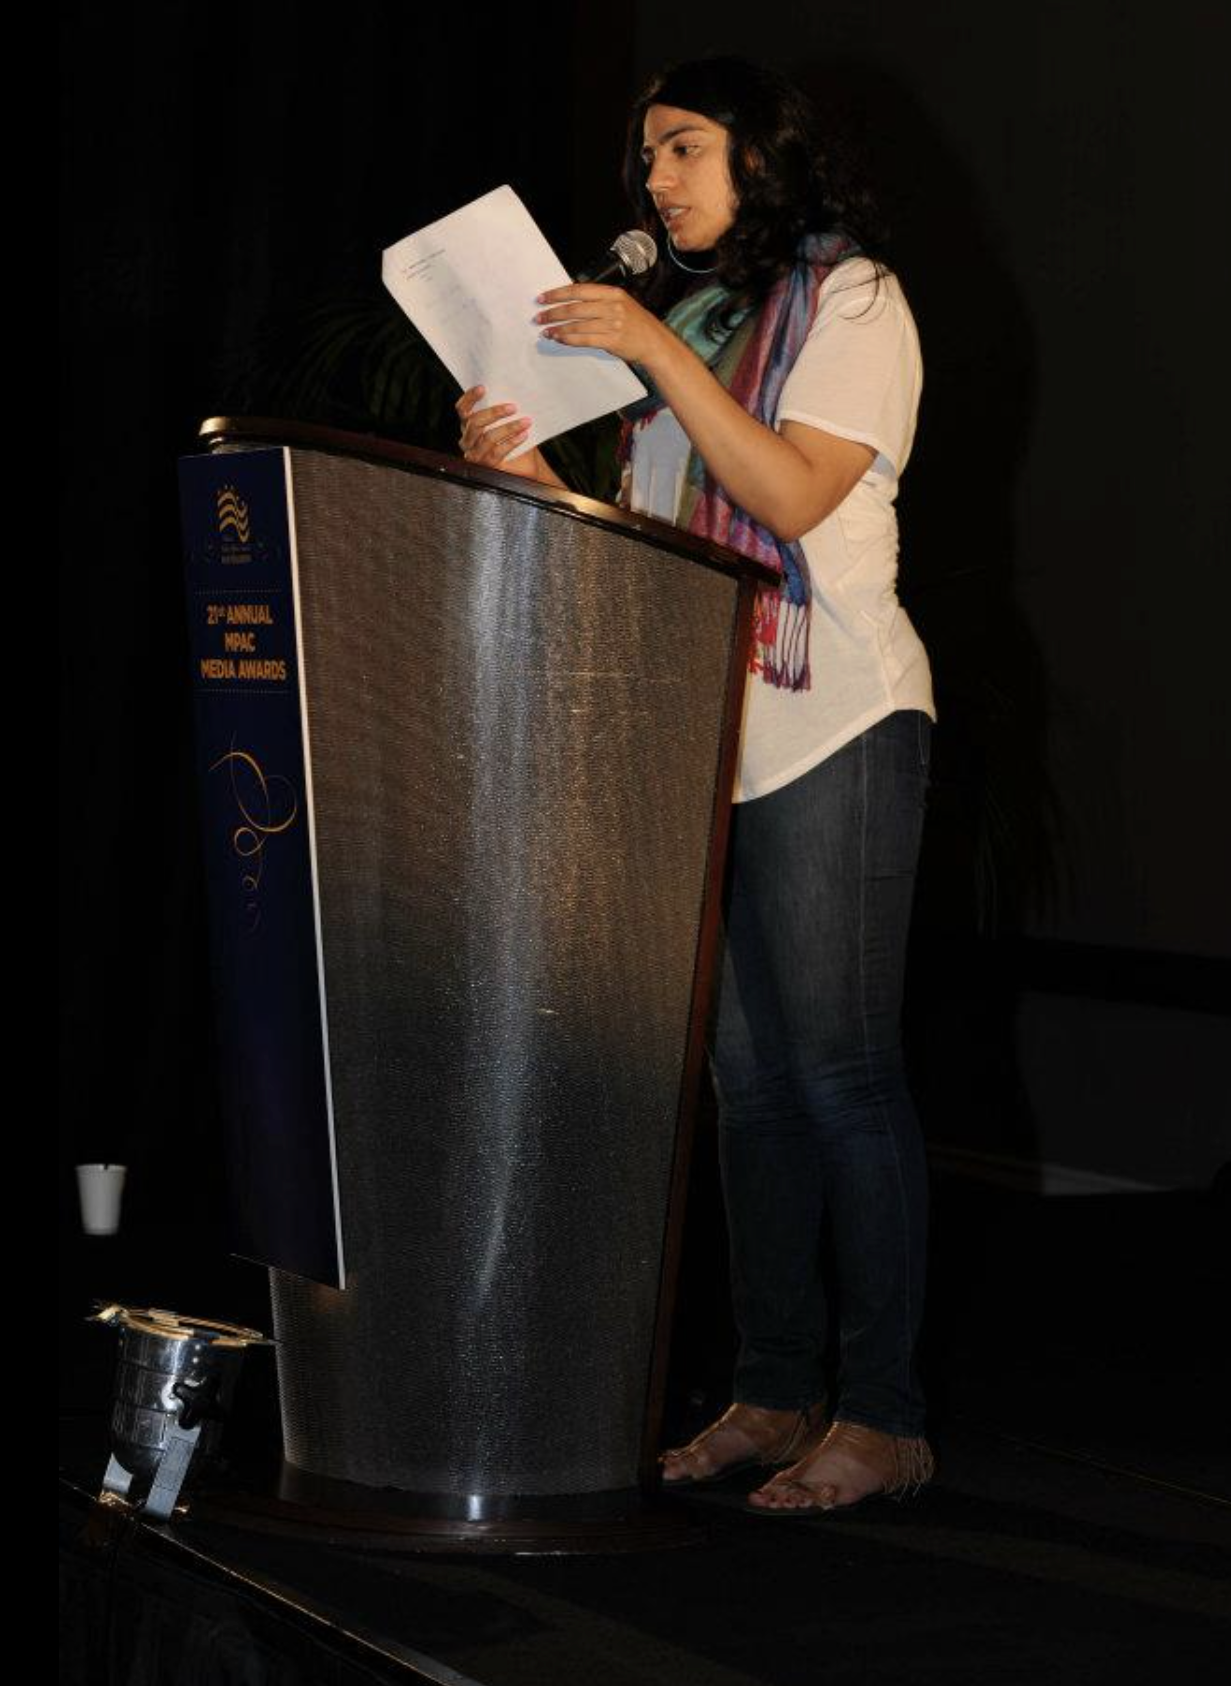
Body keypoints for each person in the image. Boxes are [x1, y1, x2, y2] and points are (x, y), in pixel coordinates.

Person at [457, 56, 936, 1515]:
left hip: (835, 718)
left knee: (838, 1074)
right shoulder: (700, 320)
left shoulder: (855, 301)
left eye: (681, 148)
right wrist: (536, 472)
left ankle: (887, 1414)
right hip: (702, 731)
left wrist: (648, 359)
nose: (654, 181)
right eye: (645, 157)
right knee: (746, 1088)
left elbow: (788, 495)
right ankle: (773, 1386)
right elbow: (654, 542)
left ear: (761, 154)